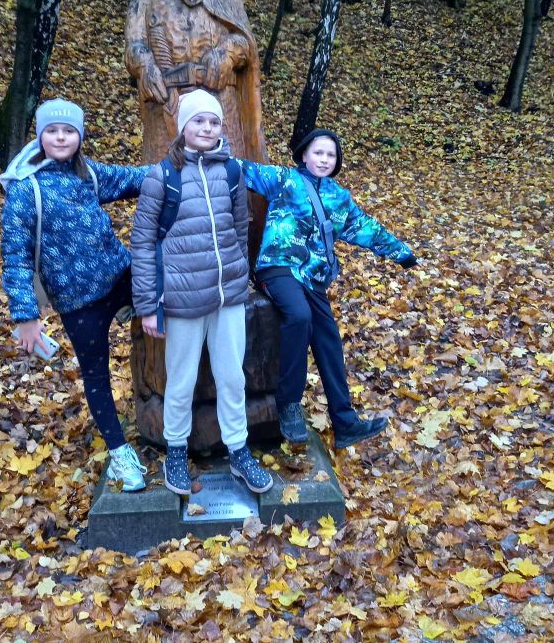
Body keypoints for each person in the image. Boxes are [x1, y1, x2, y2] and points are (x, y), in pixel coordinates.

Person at [0, 98, 150, 492]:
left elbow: (134, 178)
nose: (61, 137)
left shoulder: (88, 174)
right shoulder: (25, 190)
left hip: (119, 276)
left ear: (79, 136)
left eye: (68, 131)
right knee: (96, 375)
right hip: (78, 303)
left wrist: (180, 167)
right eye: (52, 130)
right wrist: (26, 317)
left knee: (166, 290)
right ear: (40, 136)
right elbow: (15, 256)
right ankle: (120, 454)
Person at [130, 89, 273, 496]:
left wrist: (239, 273)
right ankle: (176, 451)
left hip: (227, 296)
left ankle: (239, 450)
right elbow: (143, 243)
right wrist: (148, 306)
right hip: (182, 299)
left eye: (214, 122)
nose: (207, 128)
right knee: (181, 380)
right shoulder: (163, 177)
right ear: (183, 126)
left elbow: (240, 227)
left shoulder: (231, 172)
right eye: (199, 121)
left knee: (232, 377)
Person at [241, 129, 418, 449]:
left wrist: (401, 253)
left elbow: (364, 227)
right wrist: (208, 149)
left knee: (329, 340)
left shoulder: (339, 198)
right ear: (304, 155)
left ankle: (345, 422)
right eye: (318, 152)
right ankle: (288, 404)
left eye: (330, 155)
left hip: (312, 276)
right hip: (278, 266)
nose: (324, 159)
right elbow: (242, 170)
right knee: (299, 316)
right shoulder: (284, 180)